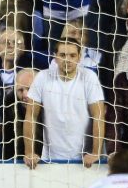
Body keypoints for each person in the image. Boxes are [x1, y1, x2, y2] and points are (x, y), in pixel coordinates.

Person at [24, 37, 106, 168]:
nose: (67, 60)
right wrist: (29, 152)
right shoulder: (42, 77)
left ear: (79, 57)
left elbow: (99, 115)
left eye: (72, 55)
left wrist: (95, 152)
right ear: (55, 57)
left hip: (84, 160)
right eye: (62, 55)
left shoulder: (89, 77)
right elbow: (30, 116)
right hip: (50, 159)